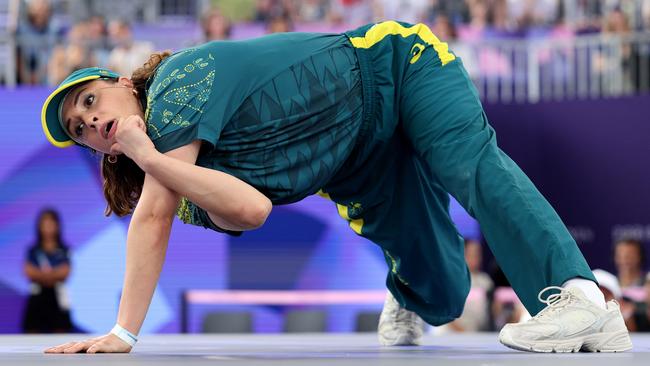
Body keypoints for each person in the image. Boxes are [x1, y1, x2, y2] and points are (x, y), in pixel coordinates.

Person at [40, 20, 630, 353]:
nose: (89, 121)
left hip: (395, 71)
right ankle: (407, 288)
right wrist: (153, 163)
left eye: (90, 101)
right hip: (355, 166)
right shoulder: (173, 176)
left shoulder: (173, 82)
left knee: (469, 165)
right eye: (78, 129)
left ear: (121, 83)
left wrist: (122, 334)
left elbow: (152, 218)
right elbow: (250, 210)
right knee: (444, 295)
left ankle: (579, 297)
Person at [22, 208, 73, 333]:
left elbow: (65, 272)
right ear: (39, 227)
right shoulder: (33, 250)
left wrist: (41, 275)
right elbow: (28, 271)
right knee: (31, 333)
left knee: (61, 336)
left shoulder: (64, 250)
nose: (48, 228)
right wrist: (53, 275)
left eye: (51, 224)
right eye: (45, 224)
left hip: (57, 297)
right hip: (37, 297)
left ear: (57, 226)